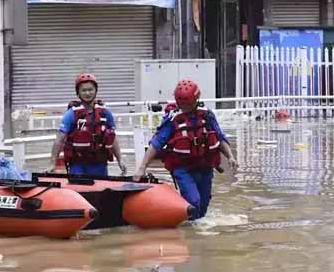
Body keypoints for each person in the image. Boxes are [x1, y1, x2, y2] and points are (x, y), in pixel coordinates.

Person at [133, 79, 238, 220]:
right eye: (182, 104)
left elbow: (219, 137)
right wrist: (142, 167)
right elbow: (156, 144)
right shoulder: (173, 119)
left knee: (203, 208)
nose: (185, 108)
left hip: (205, 166)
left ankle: (195, 234)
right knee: (194, 201)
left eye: (188, 104)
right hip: (183, 168)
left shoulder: (207, 115)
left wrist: (230, 156)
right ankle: (188, 229)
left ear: (196, 99)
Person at [48, 73, 127, 177]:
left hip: (100, 163)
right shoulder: (71, 114)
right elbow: (59, 140)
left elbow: (113, 138)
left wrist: (120, 160)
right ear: (78, 93)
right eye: (84, 90)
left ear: (96, 91)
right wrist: (52, 163)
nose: (87, 93)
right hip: (78, 164)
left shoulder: (105, 113)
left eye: (90, 89)